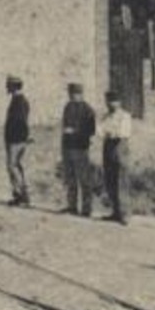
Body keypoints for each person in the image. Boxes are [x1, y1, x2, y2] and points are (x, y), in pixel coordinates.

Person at [59, 81, 96, 216]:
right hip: (68, 147)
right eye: (71, 94)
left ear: (81, 94)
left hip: (81, 148)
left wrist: (74, 131)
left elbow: (91, 131)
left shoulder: (88, 110)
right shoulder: (68, 107)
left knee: (84, 179)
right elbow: (64, 126)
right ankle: (72, 206)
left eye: (75, 94)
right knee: (70, 178)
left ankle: (87, 209)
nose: (72, 96)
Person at [99, 90, 133, 224]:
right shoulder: (106, 116)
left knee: (121, 180)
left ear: (119, 102)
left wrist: (110, 132)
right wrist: (107, 132)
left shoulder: (125, 116)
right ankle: (115, 211)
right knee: (110, 179)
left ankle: (125, 214)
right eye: (109, 101)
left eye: (114, 101)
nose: (111, 104)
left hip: (120, 147)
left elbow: (123, 133)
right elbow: (100, 131)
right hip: (108, 147)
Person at [3, 75, 31, 206]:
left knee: (12, 166)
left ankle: (21, 195)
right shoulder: (19, 100)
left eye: (8, 85)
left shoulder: (19, 101)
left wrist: (18, 138)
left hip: (16, 139)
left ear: (14, 86)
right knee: (16, 166)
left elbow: (19, 122)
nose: (6, 88)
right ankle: (20, 194)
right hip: (17, 139)